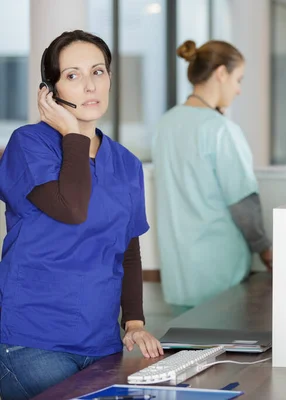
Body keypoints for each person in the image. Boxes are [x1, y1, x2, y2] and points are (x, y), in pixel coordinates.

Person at [0, 30, 163, 400]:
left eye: (98, 72)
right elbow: (71, 208)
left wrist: (134, 323)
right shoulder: (28, 145)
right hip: (31, 340)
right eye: (72, 75)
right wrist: (73, 133)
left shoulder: (125, 162)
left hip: (101, 341)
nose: (90, 86)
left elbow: (129, 250)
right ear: (50, 91)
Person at [152, 40, 272, 314]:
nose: (238, 89)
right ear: (221, 73)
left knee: (186, 355)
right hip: (220, 275)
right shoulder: (220, 130)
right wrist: (265, 249)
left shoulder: (165, 124)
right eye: (238, 79)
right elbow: (243, 203)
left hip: (178, 277)